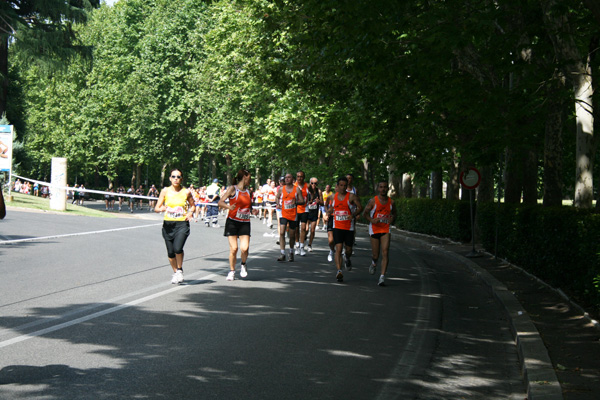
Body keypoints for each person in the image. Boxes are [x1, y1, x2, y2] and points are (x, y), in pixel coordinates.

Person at [155, 169, 195, 284]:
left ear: (181, 179)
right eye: (173, 176)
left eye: (178, 176)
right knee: (170, 252)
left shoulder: (186, 192)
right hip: (168, 224)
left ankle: (179, 269)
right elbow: (156, 208)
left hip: (182, 224)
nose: (176, 178)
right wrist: (160, 209)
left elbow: (193, 206)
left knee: (178, 248)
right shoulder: (165, 191)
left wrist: (190, 212)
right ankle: (176, 272)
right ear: (170, 178)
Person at [218, 169, 252, 281]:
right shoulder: (233, 189)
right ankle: (232, 271)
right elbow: (220, 202)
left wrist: (252, 211)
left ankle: (243, 264)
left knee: (244, 248)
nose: (250, 180)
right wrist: (229, 207)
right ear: (244, 177)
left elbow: (248, 206)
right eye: (249, 177)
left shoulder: (248, 191)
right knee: (234, 248)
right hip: (232, 221)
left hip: (245, 222)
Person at [327, 176, 362, 282]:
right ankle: (339, 271)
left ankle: (347, 258)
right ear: (337, 186)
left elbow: (360, 207)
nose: (343, 187)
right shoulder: (333, 196)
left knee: (348, 250)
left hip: (348, 227)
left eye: (345, 186)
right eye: (341, 185)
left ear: (347, 186)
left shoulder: (352, 197)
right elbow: (331, 206)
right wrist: (327, 212)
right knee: (338, 248)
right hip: (337, 226)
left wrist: (354, 215)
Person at [363, 181, 397, 286]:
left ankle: (382, 277)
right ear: (378, 188)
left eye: (385, 187)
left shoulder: (391, 202)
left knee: (385, 252)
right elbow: (365, 213)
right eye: (381, 187)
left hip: (385, 229)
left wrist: (392, 219)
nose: (383, 189)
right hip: (374, 229)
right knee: (376, 255)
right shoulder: (373, 201)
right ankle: (374, 263)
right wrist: (371, 220)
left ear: (387, 189)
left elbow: (394, 213)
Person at [275, 173, 305, 262]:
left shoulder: (297, 190)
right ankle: (282, 253)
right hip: (283, 213)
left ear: (293, 179)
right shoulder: (281, 189)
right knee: (281, 233)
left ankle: (291, 252)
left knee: (292, 235)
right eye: (286, 178)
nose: (287, 179)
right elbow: (277, 197)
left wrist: (296, 203)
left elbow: (302, 201)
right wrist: (278, 203)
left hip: (293, 214)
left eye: (289, 177)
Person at [294, 170, 309, 256]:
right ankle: (297, 245)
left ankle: (302, 247)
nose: (300, 178)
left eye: (301, 176)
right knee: (296, 229)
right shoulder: (294, 186)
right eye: (298, 176)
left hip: (305, 209)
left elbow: (314, 193)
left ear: (304, 177)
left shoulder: (307, 186)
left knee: (303, 228)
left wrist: (312, 200)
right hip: (295, 209)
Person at [306, 177, 322, 252]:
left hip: (314, 213)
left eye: (315, 183)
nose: (313, 185)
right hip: (307, 212)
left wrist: (319, 201)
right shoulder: (307, 191)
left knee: (312, 230)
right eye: (312, 183)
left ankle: (309, 245)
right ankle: (304, 236)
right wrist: (308, 202)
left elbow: (323, 203)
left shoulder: (319, 191)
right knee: (306, 229)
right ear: (310, 183)